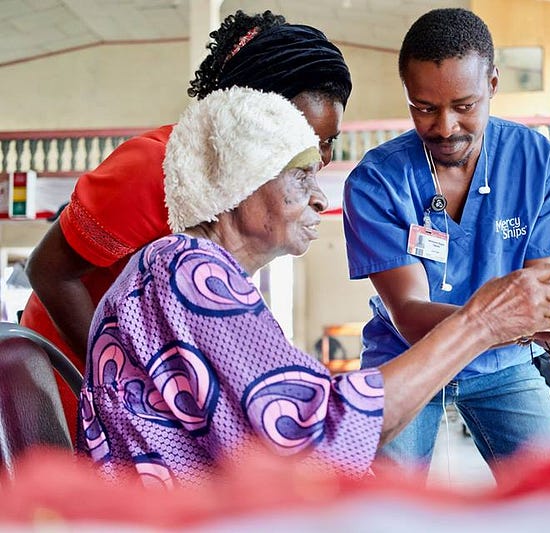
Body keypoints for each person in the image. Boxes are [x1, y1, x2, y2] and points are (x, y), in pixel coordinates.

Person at [78, 86, 550, 486]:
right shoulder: (189, 272)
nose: (319, 198)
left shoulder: (174, 269)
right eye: (301, 177)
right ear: (240, 182)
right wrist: (482, 321)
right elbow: (324, 434)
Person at [22, 10, 352, 439]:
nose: (320, 158)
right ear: (251, 114)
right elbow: (49, 271)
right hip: (69, 380)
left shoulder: (253, 191)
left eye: (328, 142)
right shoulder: (155, 167)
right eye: (307, 138)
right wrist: (121, 380)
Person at [342, 8, 550, 477]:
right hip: (406, 356)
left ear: (493, 84)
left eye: (464, 105)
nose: (446, 127)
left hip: (506, 362)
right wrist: (526, 320)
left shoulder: (540, 165)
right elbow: (409, 314)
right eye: (424, 108)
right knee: (385, 499)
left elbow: (543, 300)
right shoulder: (376, 181)